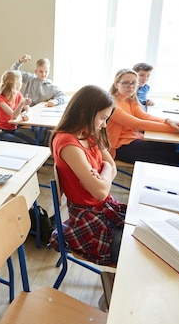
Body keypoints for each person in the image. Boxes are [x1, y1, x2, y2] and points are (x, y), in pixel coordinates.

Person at [48, 85, 125, 312]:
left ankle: (113, 295)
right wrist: (104, 177)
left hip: (104, 210)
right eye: (102, 118)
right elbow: (100, 192)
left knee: (141, 237)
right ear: (84, 113)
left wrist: (102, 174)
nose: (104, 124)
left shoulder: (89, 135)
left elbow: (112, 166)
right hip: (88, 220)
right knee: (135, 253)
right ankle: (114, 301)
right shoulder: (68, 143)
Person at [106, 68, 179, 166]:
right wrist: (178, 130)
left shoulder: (129, 100)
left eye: (134, 83)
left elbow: (146, 117)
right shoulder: (111, 104)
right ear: (116, 85)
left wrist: (170, 121)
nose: (131, 87)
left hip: (132, 139)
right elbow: (138, 123)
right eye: (126, 83)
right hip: (118, 147)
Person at [0, 70, 35, 144]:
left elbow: (27, 108)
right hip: (1, 132)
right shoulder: (0, 99)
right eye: (20, 81)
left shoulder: (18, 94)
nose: (21, 83)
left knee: (33, 142)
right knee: (24, 144)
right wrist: (22, 103)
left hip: (13, 130)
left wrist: (26, 114)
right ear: (15, 83)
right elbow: (13, 115)